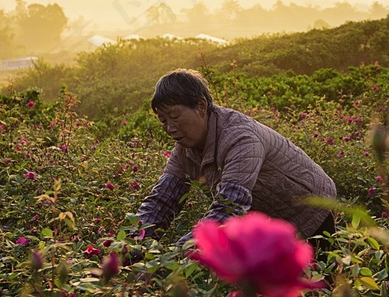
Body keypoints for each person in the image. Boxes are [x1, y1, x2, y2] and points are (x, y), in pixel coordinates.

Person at [136, 69, 337, 248]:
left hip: (311, 210)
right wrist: (130, 243)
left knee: (319, 284)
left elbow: (229, 208)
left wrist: (171, 258)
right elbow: (163, 201)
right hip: (268, 221)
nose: (170, 128)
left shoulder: (240, 138)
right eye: (163, 120)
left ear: (201, 106)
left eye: (175, 116)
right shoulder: (185, 148)